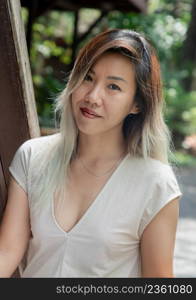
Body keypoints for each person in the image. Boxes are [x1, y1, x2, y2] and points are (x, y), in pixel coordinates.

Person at [0, 28, 182, 278]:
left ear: (137, 104)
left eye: (113, 87)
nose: (93, 97)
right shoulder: (33, 157)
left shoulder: (155, 184)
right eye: (88, 77)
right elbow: (7, 251)